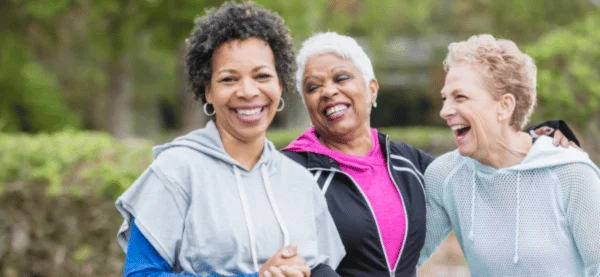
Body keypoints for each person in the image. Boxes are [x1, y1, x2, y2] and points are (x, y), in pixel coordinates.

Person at [281, 32, 578, 277]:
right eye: (313, 87)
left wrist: (539, 137)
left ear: (372, 90)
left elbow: (489, 165)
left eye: (341, 78)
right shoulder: (289, 171)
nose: (328, 91)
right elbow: (293, 258)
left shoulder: (409, 164)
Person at [115, 3, 344, 277]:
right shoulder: (175, 171)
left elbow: (322, 267)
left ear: (280, 85)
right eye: (229, 79)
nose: (248, 91)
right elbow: (140, 273)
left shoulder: (300, 182)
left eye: (262, 76)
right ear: (208, 90)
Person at [419, 34, 600, 276]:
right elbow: (399, 258)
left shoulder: (571, 173)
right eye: (445, 98)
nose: (445, 111)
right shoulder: (445, 175)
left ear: (504, 106)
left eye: (460, 97)